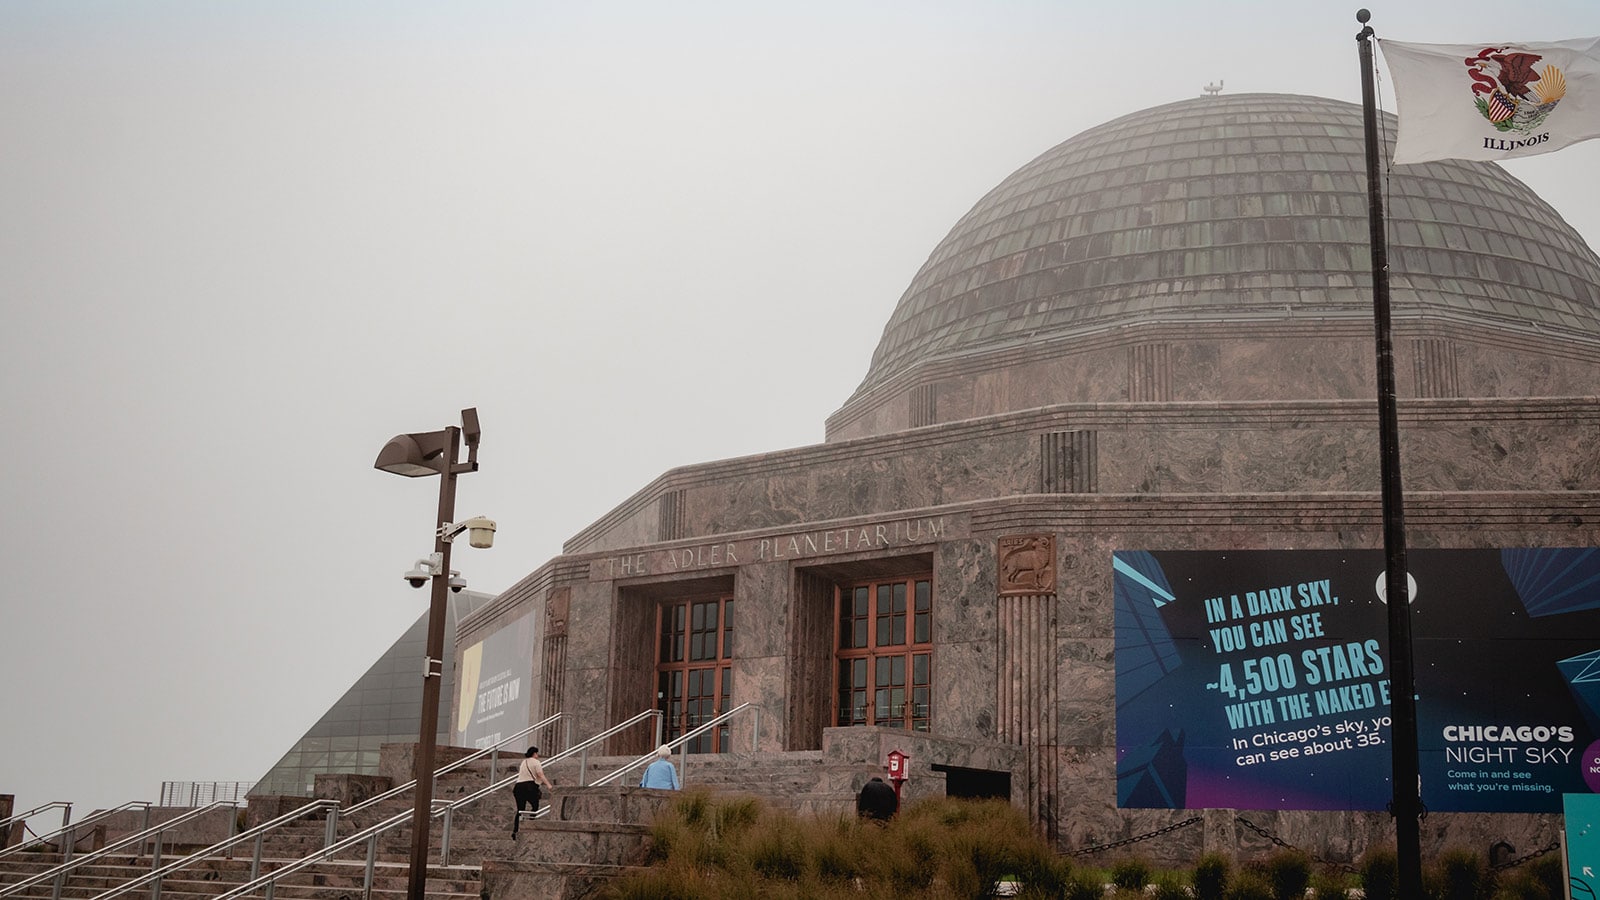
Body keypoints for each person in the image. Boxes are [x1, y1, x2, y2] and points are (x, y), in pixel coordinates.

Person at [512, 746, 554, 837]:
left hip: (518, 787)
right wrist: (549, 785)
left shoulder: (524, 762)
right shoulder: (536, 762)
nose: (537, 755)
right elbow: (540, 775)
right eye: (537, 753)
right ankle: (529, 823)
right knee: (535, 806)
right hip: (529, 787)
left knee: (520, 810)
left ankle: (515, 831)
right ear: (534, 753)